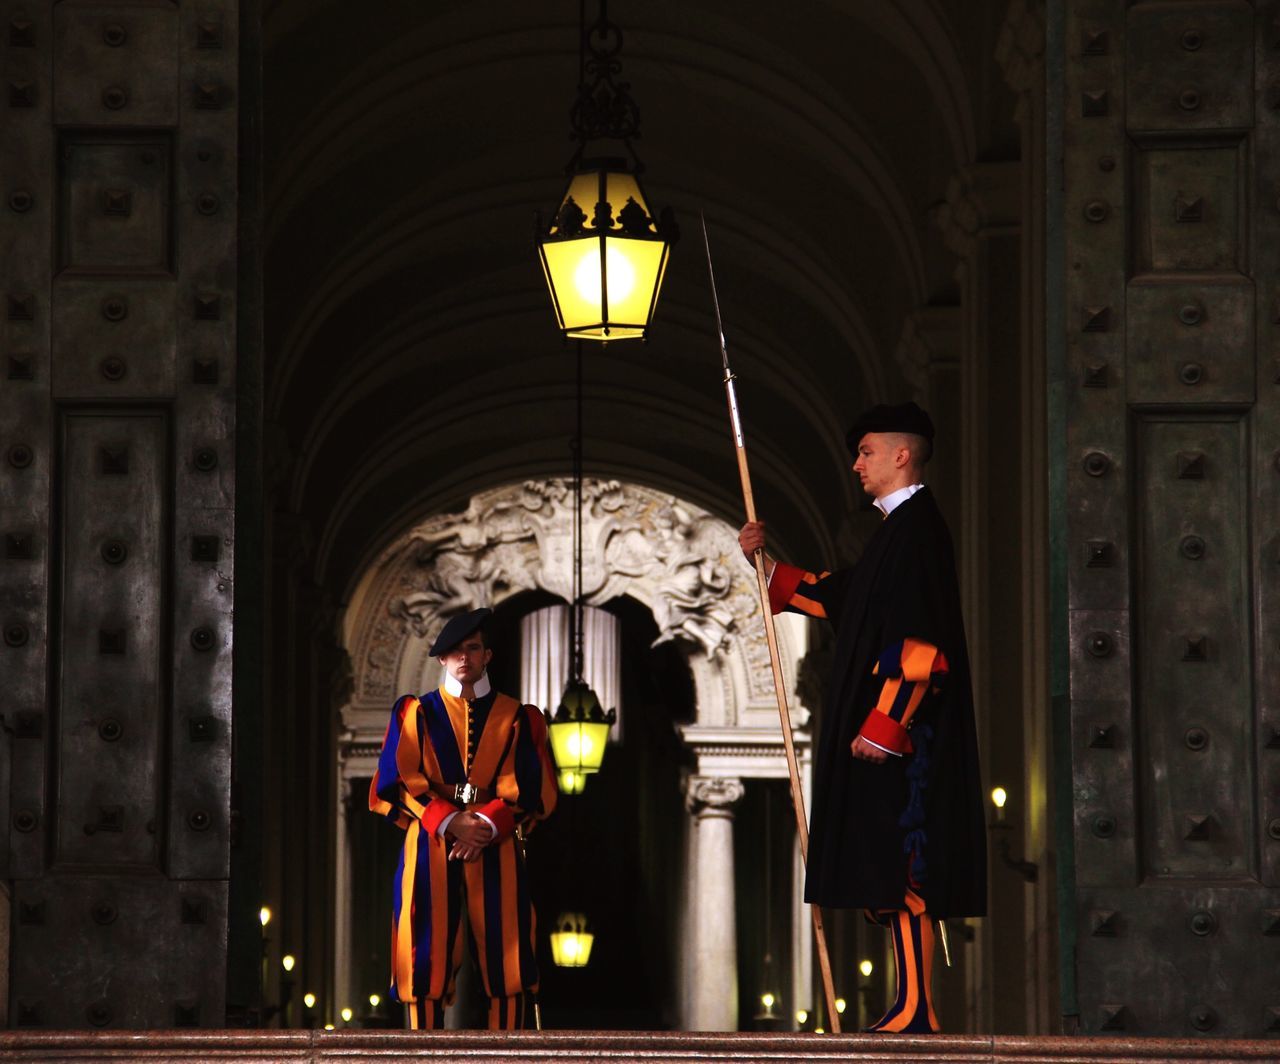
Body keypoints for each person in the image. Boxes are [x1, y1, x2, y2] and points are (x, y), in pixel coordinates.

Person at [739, 401, 985, 1034]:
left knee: (908, 867)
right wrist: (766, 568)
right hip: (890, 736)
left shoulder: (920, 530)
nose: (856, 463)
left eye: (866, 452)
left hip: (906, 739)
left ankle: (917, 1006)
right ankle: (909, 1003)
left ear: (902, 454)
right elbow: (845, 597)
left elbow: (919, 639)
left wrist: (886, 724)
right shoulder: (894, 535)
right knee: (888, 866)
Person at [369, 607, 558, 1030]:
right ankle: (423, 1058)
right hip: (431, 839)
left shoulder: (518, 717)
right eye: (454, 651)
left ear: (487, 654)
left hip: (498, 837)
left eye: (472, 648)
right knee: (423, 948)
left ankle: (506, 1058)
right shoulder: (415, 712)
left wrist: (485, 827)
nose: (464, 658)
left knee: (506, 949)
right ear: (441, 659)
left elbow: (530, 787)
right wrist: (451, 821)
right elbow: (398, 780)